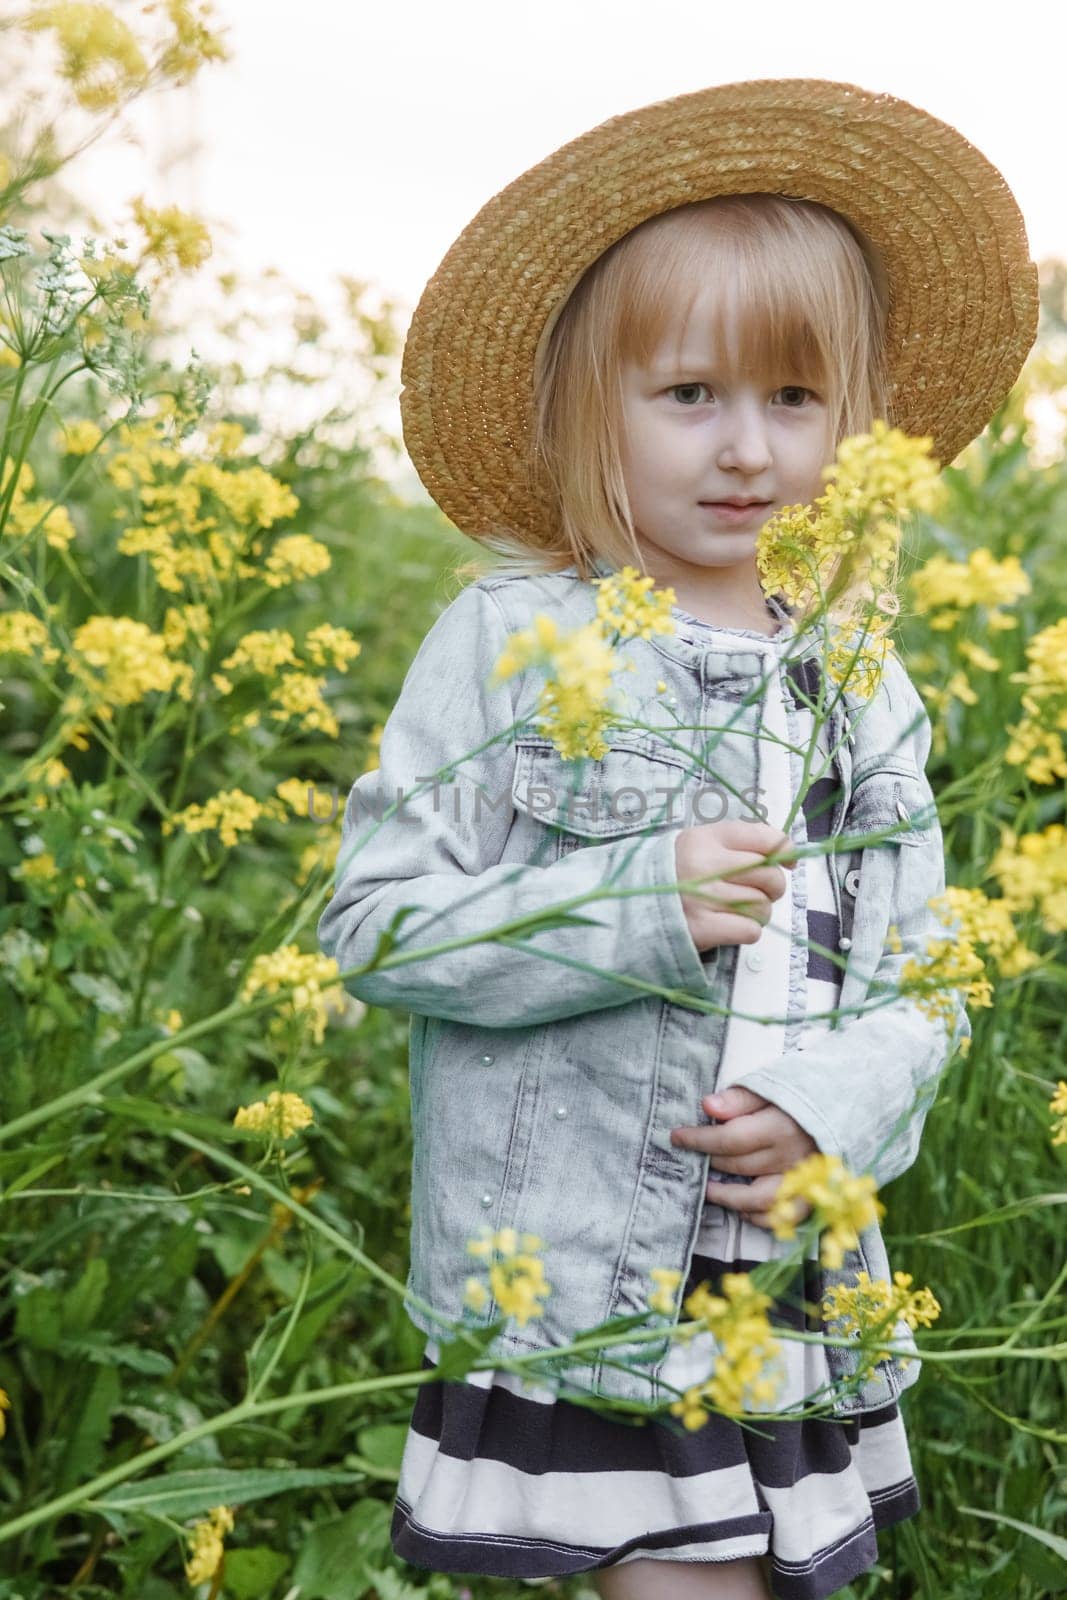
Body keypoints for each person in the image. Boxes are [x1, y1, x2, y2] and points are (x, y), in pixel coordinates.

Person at [317, 78, 1037, 1600]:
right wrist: (640, 899)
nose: (745, 451)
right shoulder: (511, 638)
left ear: (859, 428)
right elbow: (375, 922)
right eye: (690, 394)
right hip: (589, 1267)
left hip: (787, 1272)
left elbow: (929, 976)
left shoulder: (859, 669)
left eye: (794, 401)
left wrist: (830, 1113)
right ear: (595, 408)